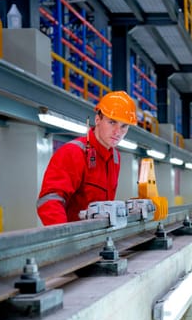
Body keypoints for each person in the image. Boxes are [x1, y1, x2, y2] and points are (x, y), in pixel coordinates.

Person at [37, 91, 137, 225]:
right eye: (112, 122)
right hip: (75, 238)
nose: (118, 132)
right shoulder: (73, 152)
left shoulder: (115, 157)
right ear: (98, 120)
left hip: (100, 239)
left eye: (124, 126)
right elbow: (49, 202)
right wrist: (65, 239)